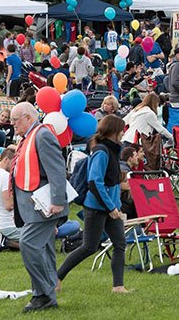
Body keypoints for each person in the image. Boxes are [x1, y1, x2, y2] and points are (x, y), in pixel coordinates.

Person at [58, 115, 130, 293]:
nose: (123, 132)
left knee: (120, 243)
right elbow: (94, 182)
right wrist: (110, 207)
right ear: (114, 131)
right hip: (97, 207)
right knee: (89, 247)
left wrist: (116, 205)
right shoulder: (101, 151)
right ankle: (56, 277)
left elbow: (111, 183)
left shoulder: (112, 150)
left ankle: (118, 286)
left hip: (111, 206)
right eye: (121, 129)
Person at [10, 102, 68, 312]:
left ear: (27, 118)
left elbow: (57, 170)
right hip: (33, 206)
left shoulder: (42, 135)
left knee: (29, 244)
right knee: (43, 250)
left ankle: (43, 292)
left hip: (44, 206)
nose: (12, 124)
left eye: (16, 120)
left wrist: (57, 201)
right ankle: (45, 296)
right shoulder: (29, 137)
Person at [123, 94, 173, 168]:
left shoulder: (136, 110)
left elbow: (124, 121)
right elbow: (160, 129)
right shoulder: (149, 113)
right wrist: (172, 137)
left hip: (126, 139)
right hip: (137, 141)